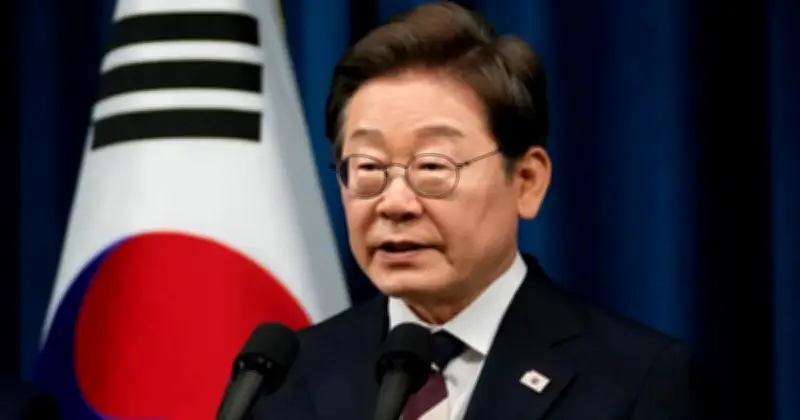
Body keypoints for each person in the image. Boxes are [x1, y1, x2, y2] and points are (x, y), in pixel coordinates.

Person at [253, 2, 703, 419]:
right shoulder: (285, 379)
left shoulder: (635, 381)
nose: (395, 203)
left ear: (526, 181)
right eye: (369, 168)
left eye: (433, 167)